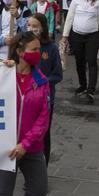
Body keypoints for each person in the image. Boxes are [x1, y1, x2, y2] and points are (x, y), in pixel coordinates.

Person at [0, 31, 50, 196]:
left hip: (30, 147)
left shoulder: (41, 81)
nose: (38, 54)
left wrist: (25, 143)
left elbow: (43, 118)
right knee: (3, 194)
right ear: (20, 51)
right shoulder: (4, 75)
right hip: (6, 147)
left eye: (38, 49)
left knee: (39, 188)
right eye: (34, 50)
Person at [61, 0, 99, 102]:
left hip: (92, 35)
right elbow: (69, 18)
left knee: (91, 61)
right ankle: (83, 85)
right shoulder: (76, 0)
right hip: (77, 35)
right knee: (79, 61)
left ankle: (91, 89)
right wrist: (65, 36)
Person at [26, 14, 62, 164]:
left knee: (43, 133)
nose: (32, 29)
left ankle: (43, 166)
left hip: (45, 99)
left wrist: (41, 82)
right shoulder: (23, 46)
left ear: (43, 28)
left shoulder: (51, 48)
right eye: (29, 25)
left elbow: (57, 75)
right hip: (26, 97)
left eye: (35, 26)